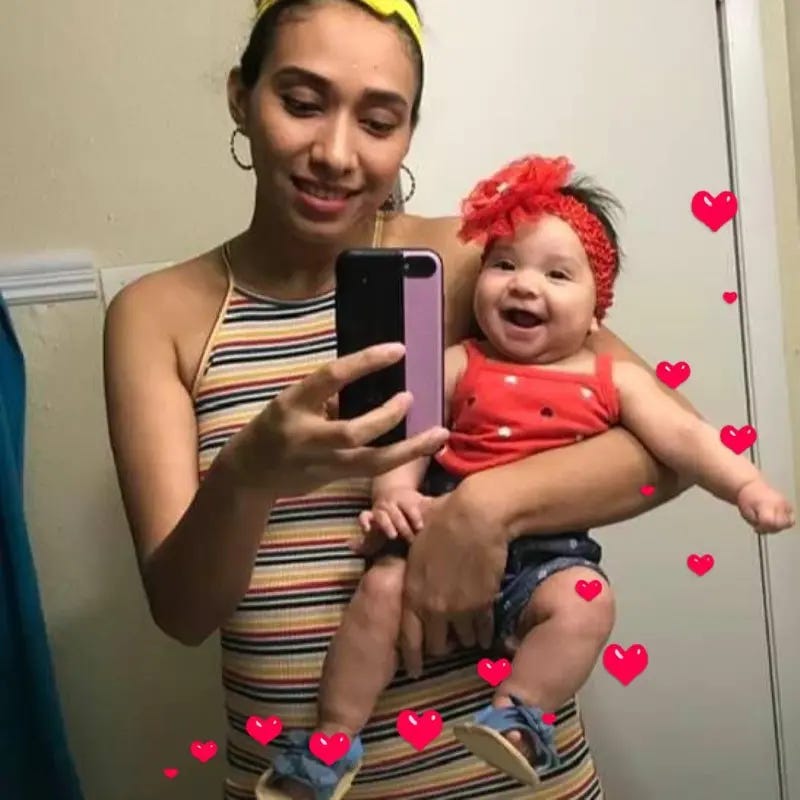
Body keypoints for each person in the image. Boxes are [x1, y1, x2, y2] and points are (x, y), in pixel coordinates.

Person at [103, 1, 705, 798]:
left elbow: (677, 446)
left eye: (379, 121)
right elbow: (183, 613)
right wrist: (249, 474)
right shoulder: (157, 316)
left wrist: (486, 509)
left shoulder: (473, 264)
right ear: (241, 97)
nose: (335, 153)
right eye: (302, 102)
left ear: (410, 133)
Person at [294, 154, 795, 798]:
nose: (524, 285)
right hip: (433, 540)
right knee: (379, 591)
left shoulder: (614, 379)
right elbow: (407, 428)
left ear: (596, 312)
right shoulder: (461, 361)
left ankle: (516, 716)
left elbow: (686, 438)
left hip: (548, 563)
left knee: (589, 603)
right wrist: (394, 493)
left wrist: (747, 486)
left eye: (557, 274)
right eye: (504, 265)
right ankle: (331, 741)